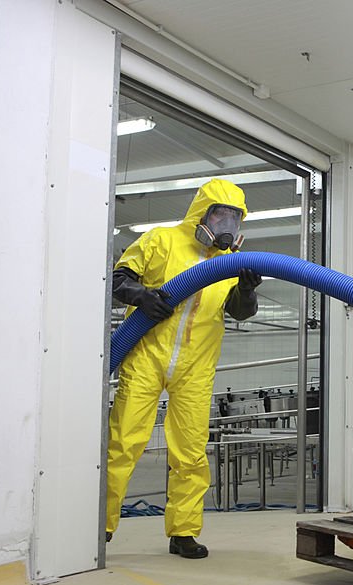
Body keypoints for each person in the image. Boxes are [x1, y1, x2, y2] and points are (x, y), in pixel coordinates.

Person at [106, 178, 263, 559]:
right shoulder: (161, 239)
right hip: (146, 355)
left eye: (235, 218)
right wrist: (142, 296)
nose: (227, 225)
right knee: (124, 443)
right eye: (220, 214)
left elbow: (240, 312)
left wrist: (246, 289)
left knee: (191, 452)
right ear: (201, 213)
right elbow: (118, 278)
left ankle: (184, 531)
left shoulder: (229, 263)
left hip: (196, 365)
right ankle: (100, 525)